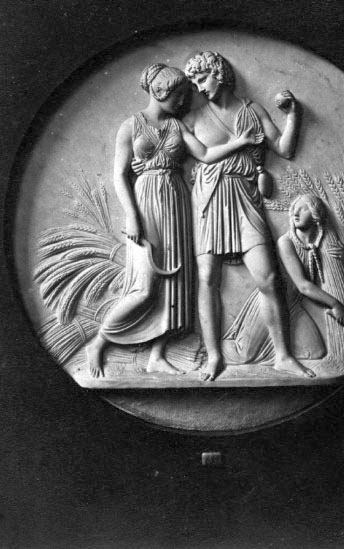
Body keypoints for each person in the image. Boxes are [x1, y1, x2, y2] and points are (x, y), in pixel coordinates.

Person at [86, 63, 260, 378]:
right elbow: (119, 175)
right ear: (159, 90)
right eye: (178, 94)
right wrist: (131, 216)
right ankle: (98, 343)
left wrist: (241, 141)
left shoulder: (177, 126)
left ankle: (157, 355)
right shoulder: (131, 126)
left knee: (174, 284)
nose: (183, 101)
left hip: (177, 202)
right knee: (144, 286)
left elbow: (205, 154)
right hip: (146, 202)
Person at [183, 51, 315, 380]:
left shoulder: (252, 111)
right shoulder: (193, 117)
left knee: (268, 277)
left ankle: (283, 355)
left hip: (244, 196)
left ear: (219, 74)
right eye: (194, 83)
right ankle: (214, 357)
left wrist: (294, 114)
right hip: (209, 200)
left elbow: (284, 149)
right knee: (207, 278)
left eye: (202, 79)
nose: (199, 88)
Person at [223, 194, 344, 368]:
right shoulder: (286, 242)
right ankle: (210, 349)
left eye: (303, 209)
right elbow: (303, 286)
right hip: (272, 305)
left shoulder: (320, 241)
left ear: (316, 214)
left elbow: (337, 273)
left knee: (315, 352)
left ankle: (277, 356)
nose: (296, 213)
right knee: (244, 355)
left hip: (293, 306)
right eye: (294, 210)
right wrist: (336, 305)